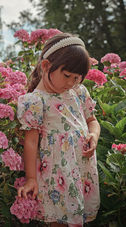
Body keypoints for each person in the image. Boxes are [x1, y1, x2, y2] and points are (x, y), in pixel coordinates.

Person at [17, 33, 101, 226]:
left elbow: (92, 121)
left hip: (80, 168)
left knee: (79, 217)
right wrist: (31, 178)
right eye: (67, 76)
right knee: (58, 220)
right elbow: (31, 141)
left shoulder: (79, 93)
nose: (71, 82)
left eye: (77, 77)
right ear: (46, 66)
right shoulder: (36, 101)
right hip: (56, 173)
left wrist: (93, 136)